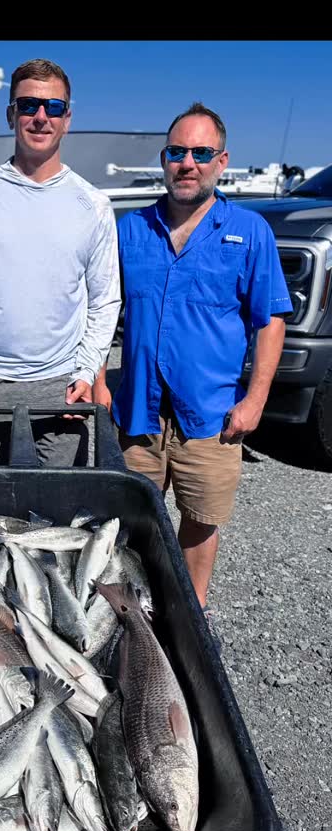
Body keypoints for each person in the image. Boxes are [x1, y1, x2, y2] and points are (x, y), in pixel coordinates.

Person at [106, 101, 292, 643]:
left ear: (222, 161)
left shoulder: (249, 231)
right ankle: (129, 616)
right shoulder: (130, 230)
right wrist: (95, 377)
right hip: (138, 412)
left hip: (210, 414)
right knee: (132, 521)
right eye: (177, 152)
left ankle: (191, 616)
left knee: (199, 519)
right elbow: (99, 310)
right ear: (163, 159)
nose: (187, 163)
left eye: (201, 153)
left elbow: (270, 320)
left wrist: (255, 400)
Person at [0, 57, 121, 466]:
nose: (41, 117)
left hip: (62, 387)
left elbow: (105, 299)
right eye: (28, 106)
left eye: (53, 107)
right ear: (11, 115)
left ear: (67, 119)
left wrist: (86, 372)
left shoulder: (93, 204)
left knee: (58, 502)